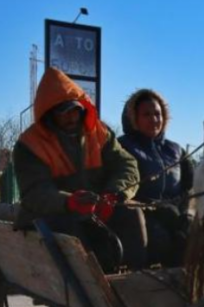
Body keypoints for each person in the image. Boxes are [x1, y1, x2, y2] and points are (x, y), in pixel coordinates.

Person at [14, 67, 147, 272]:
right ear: (49, 113)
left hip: (96, 208)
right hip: (52, 215)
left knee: (132, 213)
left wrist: (114, 194)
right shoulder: (29, 145)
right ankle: (93, 287)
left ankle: (136, 278)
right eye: (63, 112)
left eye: (75, 110)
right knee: (73, 230)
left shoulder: (99, 132)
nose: (72, 118)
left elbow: (126, 165)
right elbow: (34, 193)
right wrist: (69, 201)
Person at [118, 89, 194, 267]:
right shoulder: (123, 146)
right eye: (146, 114)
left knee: (196, 238)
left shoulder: (176, 150)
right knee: (162, 241)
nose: (154, 119)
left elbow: (191, 187)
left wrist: (188, 213)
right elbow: (121, 185)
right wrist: (153, 208)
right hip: (142, 217)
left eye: (158, 114)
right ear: (133, 118)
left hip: (176, 215)